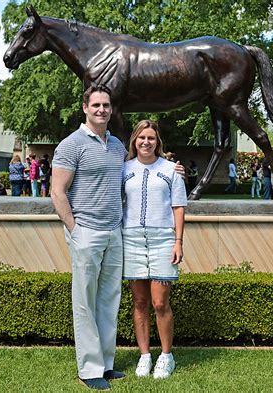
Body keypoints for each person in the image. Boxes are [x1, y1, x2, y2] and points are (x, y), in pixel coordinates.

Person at [51, 85, 126, 391]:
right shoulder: (72, 144)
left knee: (109, 300)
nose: (101, 110)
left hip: (114, 232)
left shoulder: (118, 145)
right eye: (96, 105)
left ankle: (106, 364)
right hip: (87, 232)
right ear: (85, 108)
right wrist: (74, 229)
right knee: (85, 302)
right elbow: (57, 191)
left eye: (106, 105)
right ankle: (89, 369)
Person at [122, 120, 187, 380]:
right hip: (132, 239)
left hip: (162, 240)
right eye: (141, 137)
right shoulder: (123, 169)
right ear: (134, 141)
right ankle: (145, 355)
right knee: (139, 301)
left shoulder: (171, 169)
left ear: (158, 141)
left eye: (151, 138)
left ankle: (166, 356)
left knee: (160, 302)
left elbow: (179, 206)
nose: (146, 142)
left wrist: (178, 241)